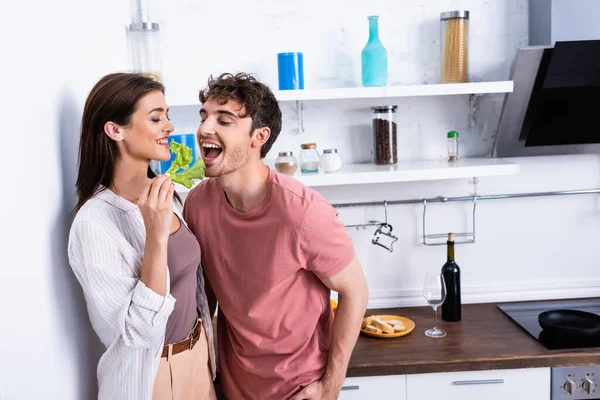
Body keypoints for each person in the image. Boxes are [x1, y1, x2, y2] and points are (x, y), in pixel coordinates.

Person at [183, 72, 369, 400]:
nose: (204, 129)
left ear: (259, 136)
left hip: (298, 389)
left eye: (224, 120)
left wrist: (331, 384)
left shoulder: (303, 212)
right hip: (232, 386)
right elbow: (207, 293)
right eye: (204, 117)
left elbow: (355, 290)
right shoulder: (198, 204)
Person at [67, 72, 216, 400]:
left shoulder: (165, 193)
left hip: (198, 359)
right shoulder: (94, 223)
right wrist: (156, 236)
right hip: (152, 377)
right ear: (114, 130)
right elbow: (136, 332)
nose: (169, 127)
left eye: (167, 115)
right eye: (155, 117)